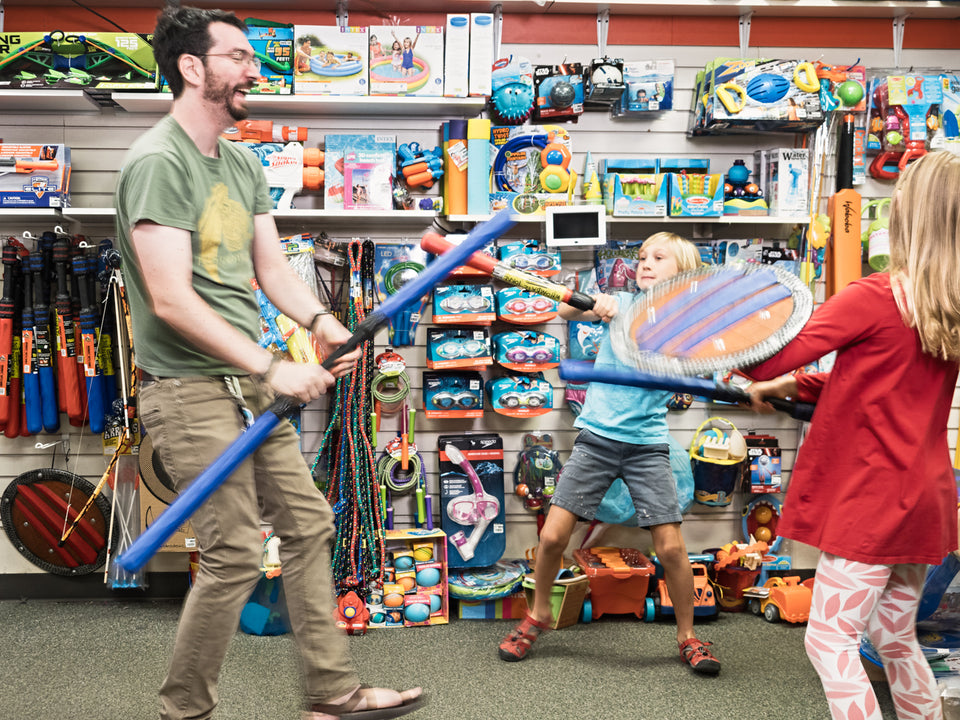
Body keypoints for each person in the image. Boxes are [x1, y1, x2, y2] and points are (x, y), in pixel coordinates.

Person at [113, 7, 424, 720]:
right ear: (193, 68)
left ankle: (333, 694)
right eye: (240, 56)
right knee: (231, 554)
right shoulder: (159, 163)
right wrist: (271, 365)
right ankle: (183, 711)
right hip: (188, 390)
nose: (256, 68)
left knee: (309, 526)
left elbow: (269, 271)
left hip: (247, 386)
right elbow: (170, 300)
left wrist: (317, 322)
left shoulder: (242, 160)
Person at [743, 151, 960, 720]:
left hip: (871, 500)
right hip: (924, 498)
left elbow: (767, 357)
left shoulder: (875, 295)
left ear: (908, 217)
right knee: (893, 636)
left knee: (829, 640)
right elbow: (880, 377)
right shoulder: (946, 304)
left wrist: (721, 340)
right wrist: (797, 384)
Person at [498, 232, 722, 675]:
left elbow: (689, 367)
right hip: (597, 438)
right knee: (552, 537)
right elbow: (560, 309)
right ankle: (538, 612)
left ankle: (688, 636)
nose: (645, 263)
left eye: (659, 258)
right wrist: (591, 305)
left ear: (685, 274)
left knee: (672, 548)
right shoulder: (620, 303)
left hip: (646, 446)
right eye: (642, 256)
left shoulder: (683, 330)